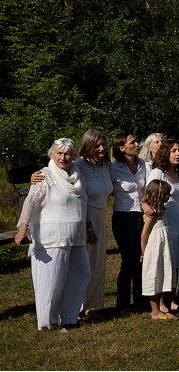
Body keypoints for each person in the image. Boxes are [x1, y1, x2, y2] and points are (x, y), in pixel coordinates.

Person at [15, 138, 95, 330]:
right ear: (51, 154)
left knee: (81, 275)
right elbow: (31, 202)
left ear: (74, 156)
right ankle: (49, 322)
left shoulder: (77, 176)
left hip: (76, 237)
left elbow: (83, 204)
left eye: (67, 154)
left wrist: (90, 229)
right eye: (59, 153)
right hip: (52, 238)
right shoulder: (44, 175)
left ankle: (69, 318)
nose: (63, 157)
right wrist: (23, 228)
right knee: (52, 281)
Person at [147, 141, 179, 313]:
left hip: (178, 223)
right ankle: (160, 303)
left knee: (177, 263)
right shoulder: (157, 173)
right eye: (173, 151)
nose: (178, 153)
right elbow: (149, 197)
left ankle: (171, 300)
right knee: (164, 262)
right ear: (165, 153)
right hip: (164, 222)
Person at [109, 133, 150, 314]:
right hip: (123, 217)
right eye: (132, 142)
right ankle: (123, 304)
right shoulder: (113, 168)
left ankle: (140, 300)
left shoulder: (143, 165)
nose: (137, 144)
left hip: (140, 216)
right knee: (129, 261)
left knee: (141, 259)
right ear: (121, 148)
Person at [74, 130, 111, 318]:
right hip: (84, 215)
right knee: (82, 262)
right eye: (97, 146)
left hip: (100, 215)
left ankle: (89, 304)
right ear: (88, 146)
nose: (101, 148)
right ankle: (75, 306)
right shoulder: (79, 165)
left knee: (96, 262)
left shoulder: (105, 166)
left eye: (103, 144)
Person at [140, 180, 178, 320]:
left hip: (163, 246)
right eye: (167, 193)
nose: (169, 196)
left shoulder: (161, 209)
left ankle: (160, 306)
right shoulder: (152, 213)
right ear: (159, 195)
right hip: (154, 247)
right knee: (154, 275)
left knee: (162, 273)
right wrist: (144, 253)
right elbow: (144, 235)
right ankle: (155, 311)